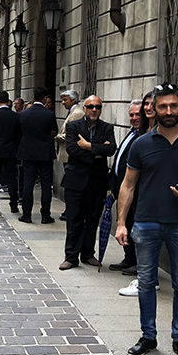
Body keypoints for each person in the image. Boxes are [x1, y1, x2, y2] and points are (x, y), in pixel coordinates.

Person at [115, 83, 178, 355]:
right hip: (146, 222)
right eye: (163, 106)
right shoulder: (142, 143)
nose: (169, 111)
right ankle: (148, 336)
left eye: (174, 106)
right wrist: (121, 223)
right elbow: (128, 185)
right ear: (153, 109)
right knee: (146, 282)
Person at [59, 95, 115, 270]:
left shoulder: (107, 127)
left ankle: (88, 254)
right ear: (84, 108)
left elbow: (111, 149)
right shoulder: (73, 126)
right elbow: (72, 149)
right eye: (90, 106)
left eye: (97, 107)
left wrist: (88, 146)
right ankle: (71, 257)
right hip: (75, 182)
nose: (94, 110)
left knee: (92, 220)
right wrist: (97, 153)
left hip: (97, 183)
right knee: (74, 220)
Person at [108, 99, 144, 276]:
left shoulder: (144, 136)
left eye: (138, 114)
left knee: (135, 226)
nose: (134, 118)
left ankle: (138, 263)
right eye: (131, 115)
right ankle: (129, 259)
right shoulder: (131, 133)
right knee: (126, 223)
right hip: (122, 188)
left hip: (136, 192)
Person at [17, 87, 58, 224]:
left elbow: (20, 131)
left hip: (28, 152)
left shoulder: (24, 114)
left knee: (28, 183)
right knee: (46, 185)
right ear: (45, 99)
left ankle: (26, 214)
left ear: (34, 97)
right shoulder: (49, 114)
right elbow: (54, 130)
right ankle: (45, 215)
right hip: (45, 153)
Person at [55, 89, 84, 221]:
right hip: (66, 153)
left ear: (73, 100)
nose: (62, 102)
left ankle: (70, 210)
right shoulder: (72, 112)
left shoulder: (77, 113)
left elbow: (71, 134)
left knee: (70, 184)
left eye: (65, 100)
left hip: (69, 153)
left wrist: (57, 137)